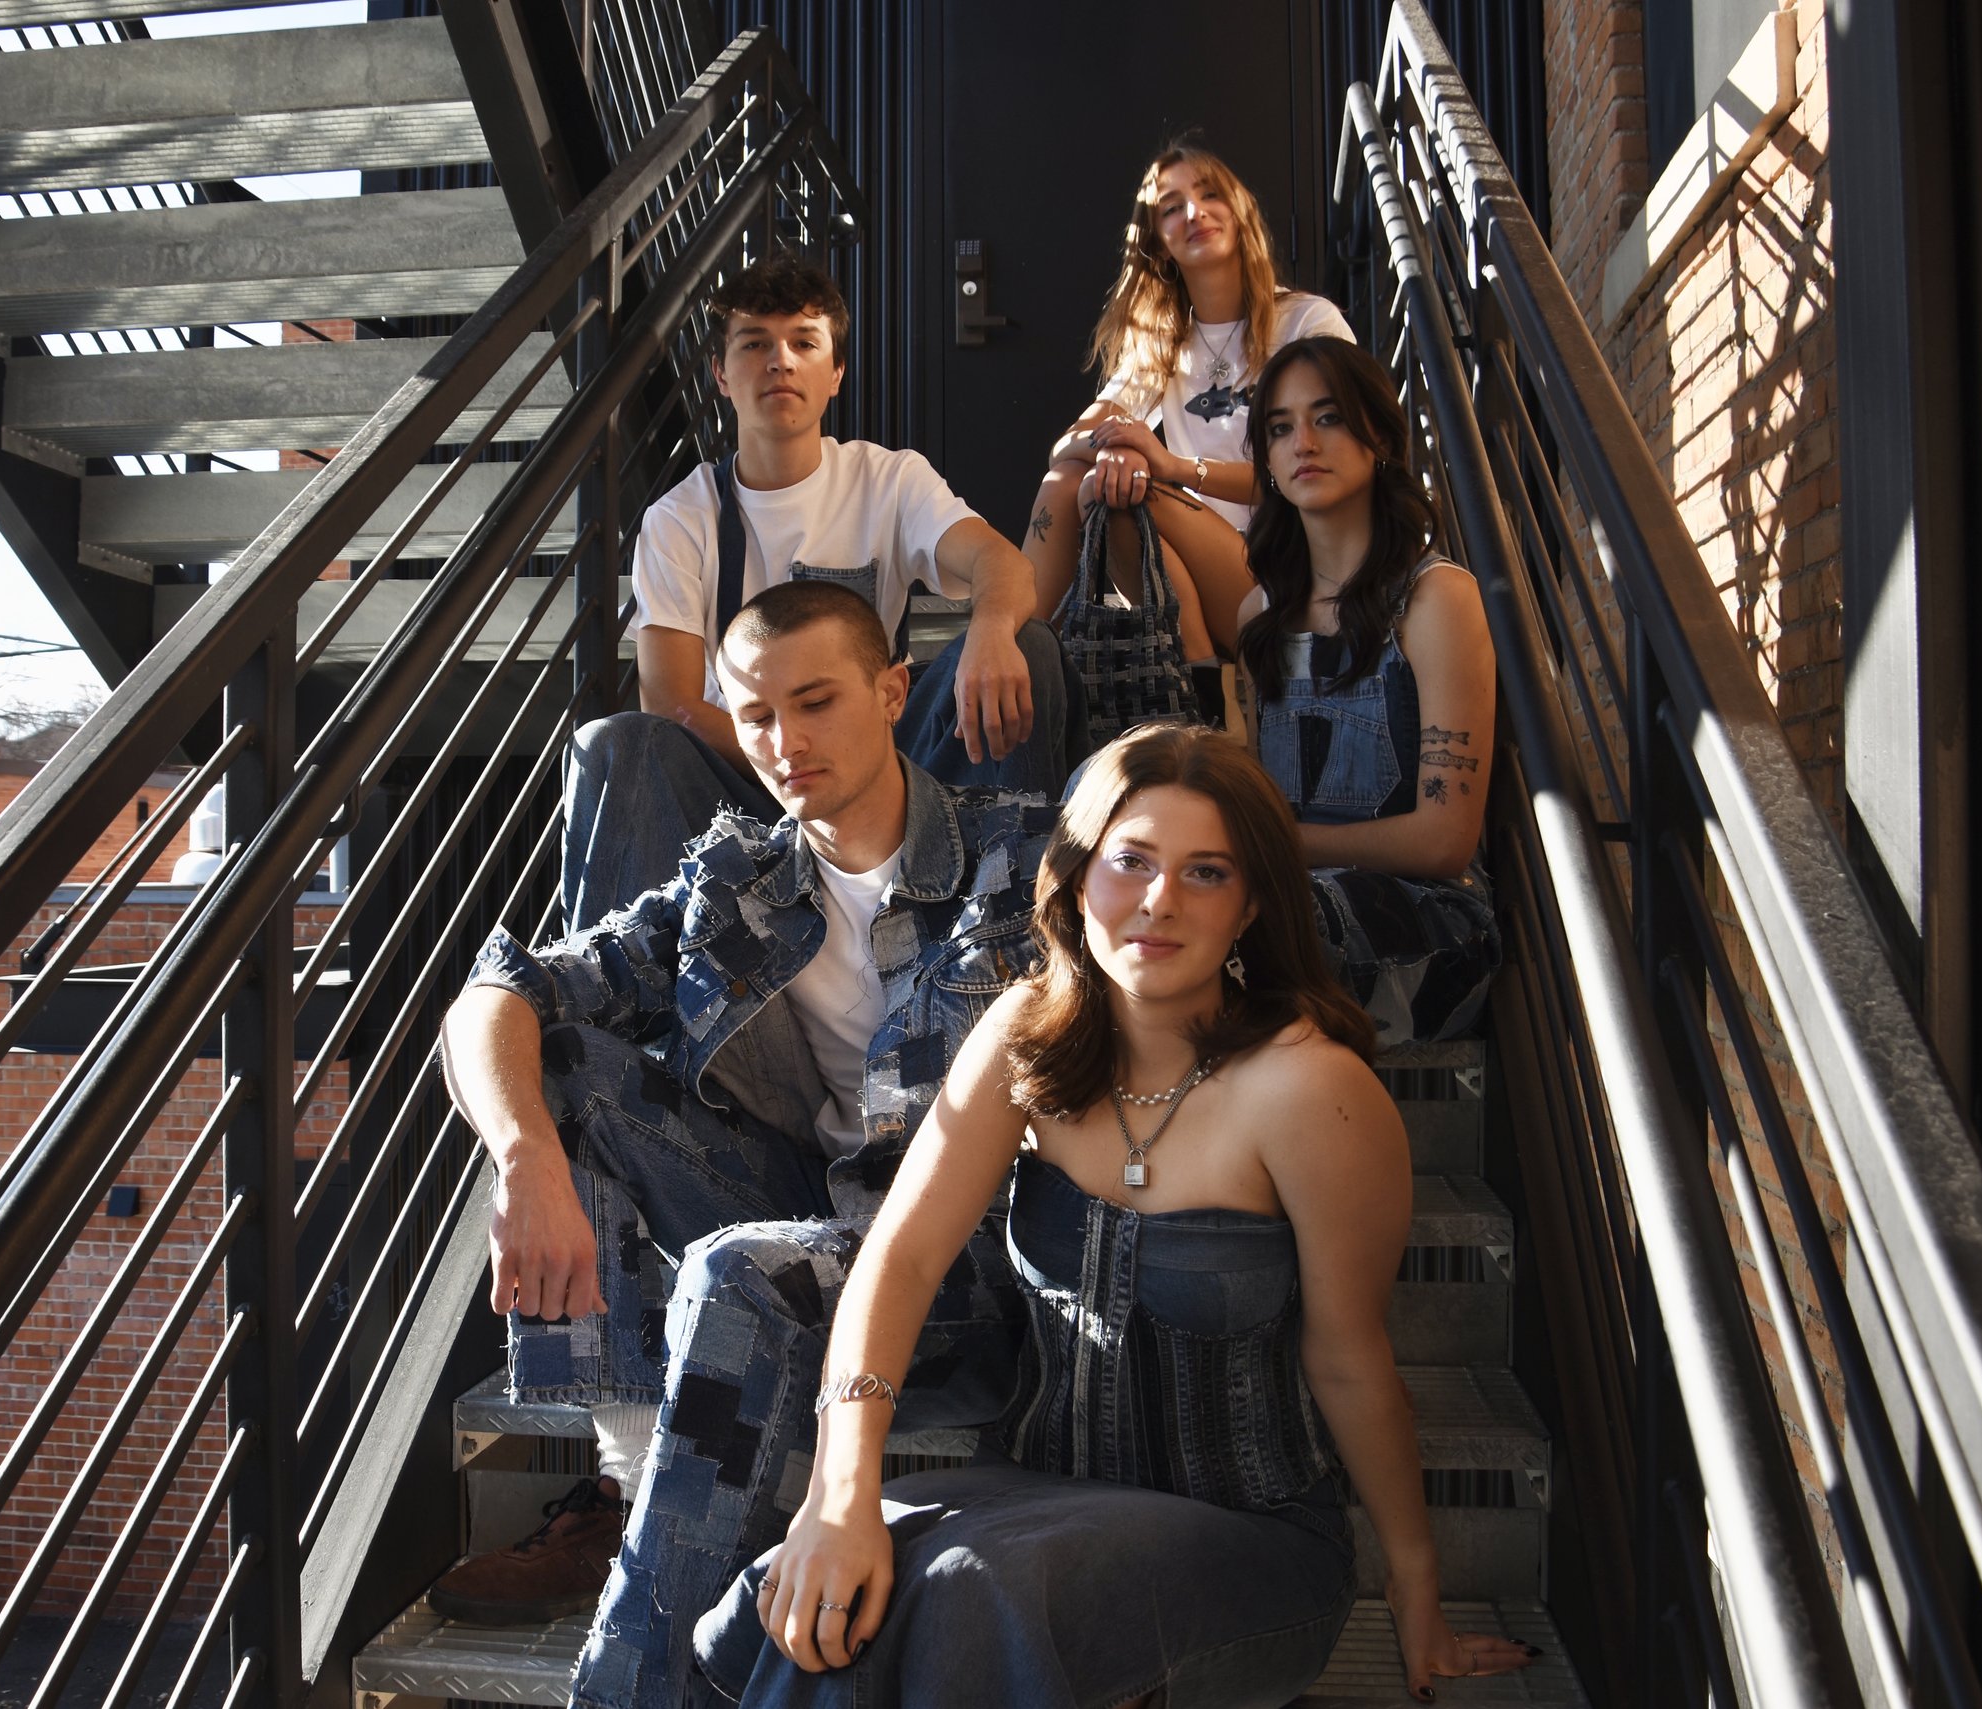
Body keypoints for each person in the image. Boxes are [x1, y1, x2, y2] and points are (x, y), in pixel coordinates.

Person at [692, 725, 1538, 1707]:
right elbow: (904, 1258)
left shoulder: (1310, 1091)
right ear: (1077, 875)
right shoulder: (1022, 1034)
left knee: (978, 1594)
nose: (1159, 899)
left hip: (1247, 1539)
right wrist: (842, 1493)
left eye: (1206, 872)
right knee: (817, 1592)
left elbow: (1350, 1359)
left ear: (1251, 904)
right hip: (1030, 1492)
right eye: (1130, 859)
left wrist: (1416, 1588)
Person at [428, 581, 1050, 1695]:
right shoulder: (738, 880)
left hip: (977, 1272)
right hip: (808, 1229)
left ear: (893, 691)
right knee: (557, 1067)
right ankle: (636, 1480)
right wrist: (524, 1157)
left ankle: (645, 1659)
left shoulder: (1021, 861)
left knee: (737, 1272)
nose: (784, 741)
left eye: (816, 701)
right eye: (756, 713)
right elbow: (501, 989)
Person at [563, 252, 1082, 929]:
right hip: (749, 776)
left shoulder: (888, 479)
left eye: (804, 343)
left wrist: (988, 631)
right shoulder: (680, 518)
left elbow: (1002, 565)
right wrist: (797, 753)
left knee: (1028, 646)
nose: (780, 361)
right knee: (618, 743)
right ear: (721, 374)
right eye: (754, 344)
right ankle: (615, 981)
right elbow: (673, 706)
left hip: (883, 759)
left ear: (835, 372)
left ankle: (1019, 925)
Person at [1235, 336, 1502, 1043]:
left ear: (1379, 436)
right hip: (1292, 902)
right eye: (1281, 428)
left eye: (1328, 418)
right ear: (1267, 461)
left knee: (1251, 941)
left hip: (1429, 924)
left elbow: (1445, 841)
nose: (1304, 443)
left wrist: (1280, 846)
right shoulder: (1258, 618)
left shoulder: (1435, 599)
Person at [1020, 143, 1355, 671]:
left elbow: (1334, 464)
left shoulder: (1306, 323)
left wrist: (1173, 467)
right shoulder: (1162, 344)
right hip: (1198, 573)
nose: (1194, 213)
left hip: (1293, 564)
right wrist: (1118, 448)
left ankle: (1195, 678)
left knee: (1121, 486)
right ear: (1158, 240)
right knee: (1075, 481)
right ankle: (1028, 662)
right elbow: (1063, 448)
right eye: (1172, 207)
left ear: (1239, 211)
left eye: (1209, 194)